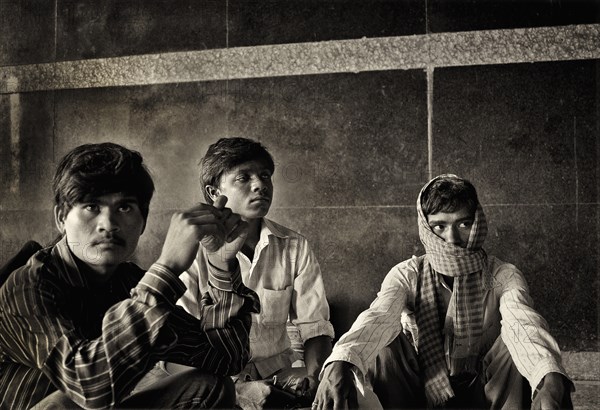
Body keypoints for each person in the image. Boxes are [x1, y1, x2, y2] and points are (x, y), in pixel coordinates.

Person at [0, 142, 259, 409]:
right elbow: (88, 386)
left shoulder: (129, 282)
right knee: (65, 404)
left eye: (124, 208)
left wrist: (221, 265)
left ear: (143, 222)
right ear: (61, 218)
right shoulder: (28, 286)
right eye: (91, 206)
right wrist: (167, 268)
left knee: (210, 386)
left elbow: (224, 359)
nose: (109, 224)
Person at [314, 174, 573, 409]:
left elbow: (524, 324)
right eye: (439, 226)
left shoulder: (502, 274)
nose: (451, 238)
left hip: (484, 390)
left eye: (463, 224)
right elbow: (379, 316)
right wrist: (341, 361)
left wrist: (550, 377)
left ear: (478, 223)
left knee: (514, 343)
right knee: (386, 346)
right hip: (421, 388)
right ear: (425, 228)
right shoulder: (407, 273)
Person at [161, 137, 335, 409]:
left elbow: (315, 326)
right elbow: (176, 352)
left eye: (265, 175)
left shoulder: (294, 246)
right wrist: (237, 392)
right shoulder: (192, 249)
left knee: (354, 397)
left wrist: (314, 377)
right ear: (213, 192)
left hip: (280, 373)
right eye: (243, 177)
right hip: (214, 382)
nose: (260, 185)